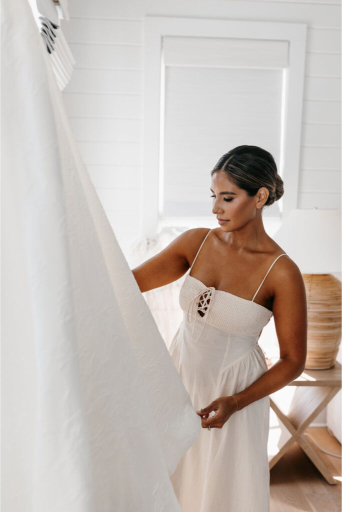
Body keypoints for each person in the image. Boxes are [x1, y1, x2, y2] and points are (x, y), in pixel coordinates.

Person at [132, 145, 307, 512]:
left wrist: (237, 402)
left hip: (234, 393)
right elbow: (127, 284)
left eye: (227, 198)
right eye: (214, 197)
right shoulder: (197, 242)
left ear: (260, 196)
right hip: (178, 377)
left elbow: (293, 360)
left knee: (223, 491)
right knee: (172, 476)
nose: (215, 209)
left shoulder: (282, 272)